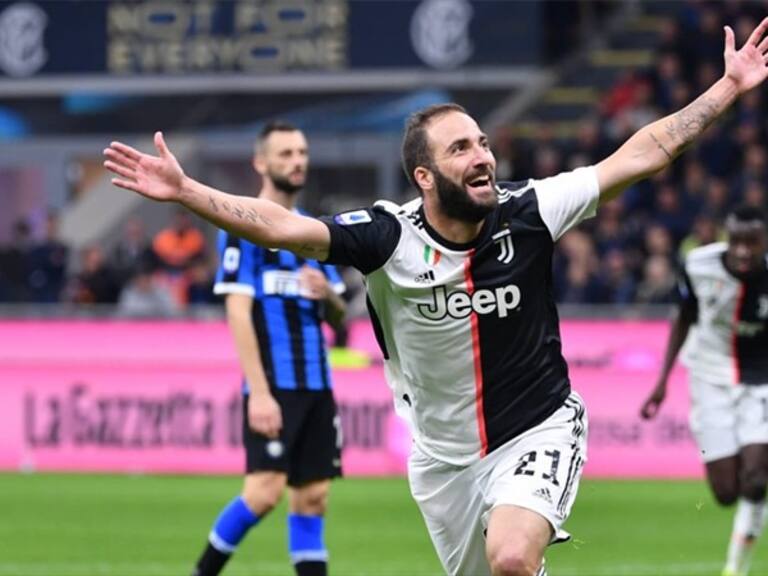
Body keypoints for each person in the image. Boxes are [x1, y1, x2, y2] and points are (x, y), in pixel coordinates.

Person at [104, 19, 768, 576]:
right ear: (425, 176)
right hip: (443, 459)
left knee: (511, 559)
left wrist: (727, 89)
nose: (481, 156)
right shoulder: (386, 236)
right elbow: (280, 226)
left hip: (539, 425)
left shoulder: (532, 209)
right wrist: (189, 193)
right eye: (460, 149)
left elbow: (642, 154)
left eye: (482, 142)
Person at [190, 121, 346, 576]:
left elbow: (339, 319)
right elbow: (238, 313)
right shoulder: (244, 226)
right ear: (261, 162)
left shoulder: (314, 231)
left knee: (313, 498)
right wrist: (258, 392)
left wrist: (330, 296)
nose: (297, 161)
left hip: (317, 383)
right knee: (263, 492)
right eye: (285, 154)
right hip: (273, 385)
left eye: (301, 152)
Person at [641, 205, 768, 576]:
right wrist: (662, 382)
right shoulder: (698, 265)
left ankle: (735, 569)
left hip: (760, 381)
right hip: (709, 378)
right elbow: (683, 319)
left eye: (752, 242)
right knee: (726, 492)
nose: (743, 250)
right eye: (737, 241)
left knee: (757, 477)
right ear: (726, 237)